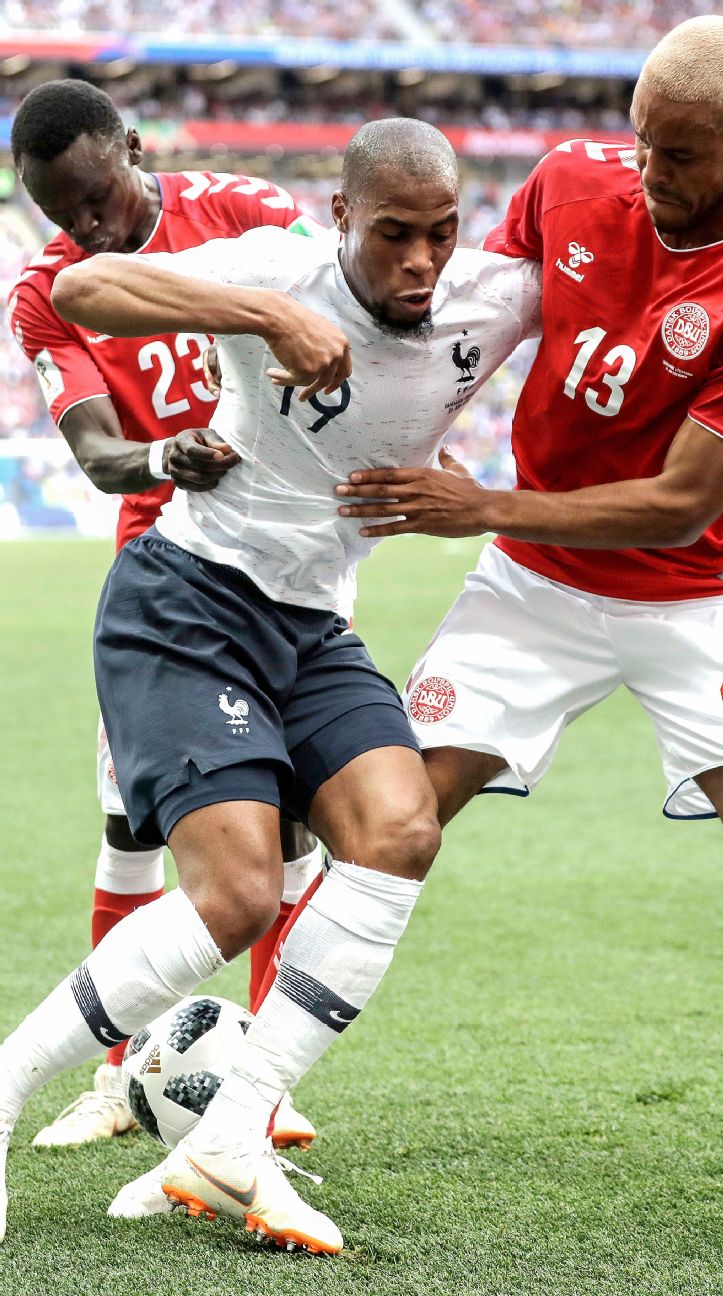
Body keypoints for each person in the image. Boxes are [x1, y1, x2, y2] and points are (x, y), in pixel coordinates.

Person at [334, 17, 723, 1237]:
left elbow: (684, 501)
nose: (650, 174)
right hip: (539, 586)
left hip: (700, 593)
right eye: (641, 143)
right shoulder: (572, 180)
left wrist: (478, 505)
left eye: (680, 156)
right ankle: (239, 1102)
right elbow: (471, 319)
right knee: (383, 811)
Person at [0, 116, 553, 1252]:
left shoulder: (489, 298)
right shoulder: (271, 264)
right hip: (189, 598)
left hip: (313, 622)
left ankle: (231, 1133)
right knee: (238, 889)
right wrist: (265, 314)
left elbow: (628, 328)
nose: (419, 263)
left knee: (397, 831)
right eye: (394, 234)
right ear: (341, 215)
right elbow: (91, 290)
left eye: (439, 236)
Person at [8, 79, 322, 1152]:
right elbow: (98, 455)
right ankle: (114, 1074)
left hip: (288, 552)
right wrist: (162, 456)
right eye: (64, 216)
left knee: (298, 829)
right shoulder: (48, 290)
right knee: (128, 827)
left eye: (98, 199)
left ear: (134, 148)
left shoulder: (239, 211)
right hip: (163, 570)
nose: (88, 230)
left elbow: (335, 310)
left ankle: (262, 1090)